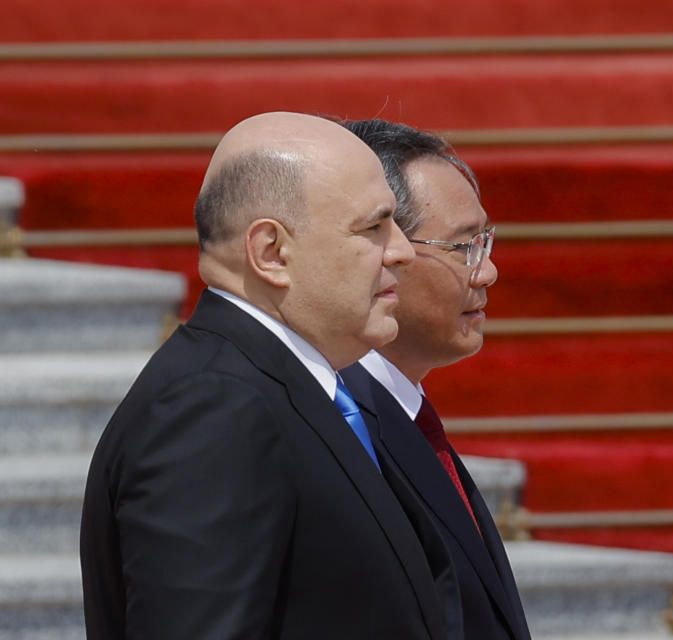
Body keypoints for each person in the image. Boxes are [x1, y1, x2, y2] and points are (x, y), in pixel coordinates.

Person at [80, 112, 462, 639]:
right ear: (271, 252)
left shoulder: (299, 389)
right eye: (373, 227)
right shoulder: (214, 411)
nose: (400, 251)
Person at [339, 119, 531, 640]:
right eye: (462, 247)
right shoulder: (333, 426)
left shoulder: (401, 411)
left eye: (485, 240)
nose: (486, 272)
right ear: (384, 251)